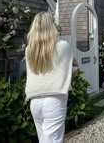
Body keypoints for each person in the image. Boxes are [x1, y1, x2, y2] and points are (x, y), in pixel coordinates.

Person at [25, 12, 76, 143]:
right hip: (54, 99)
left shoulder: (29, 50)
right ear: (52, 26)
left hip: (34, 100)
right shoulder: (63, 46)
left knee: (43, 139)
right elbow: (75, 68)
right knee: (53, 140)